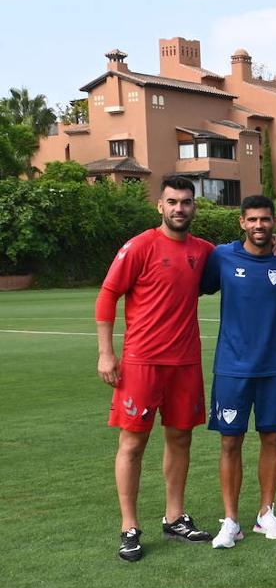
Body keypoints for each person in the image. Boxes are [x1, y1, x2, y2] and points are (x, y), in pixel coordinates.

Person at [96, 177, 215, 562]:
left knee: (181, 440)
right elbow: (108, 295)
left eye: (186, 202)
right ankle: (129, 526)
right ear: (159, 206)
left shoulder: (205, 251)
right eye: (172, 202)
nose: (180, 208)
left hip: (185, 363)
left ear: (195, 207)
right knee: (132, 443)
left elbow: (248, 253)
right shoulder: (140, 246)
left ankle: (175, 516)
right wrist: (105, 353)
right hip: (142, 362)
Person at [200, 195, 276, 549]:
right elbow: (195, 286)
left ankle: (265, 513)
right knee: (230, 441)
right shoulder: (223, 256)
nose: (260, 226)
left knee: (272, 439)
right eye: (253, 220)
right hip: (231, 366)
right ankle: (231, 521)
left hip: (274, 367)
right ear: (242, 223)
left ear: (275, 222)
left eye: (266, 220)